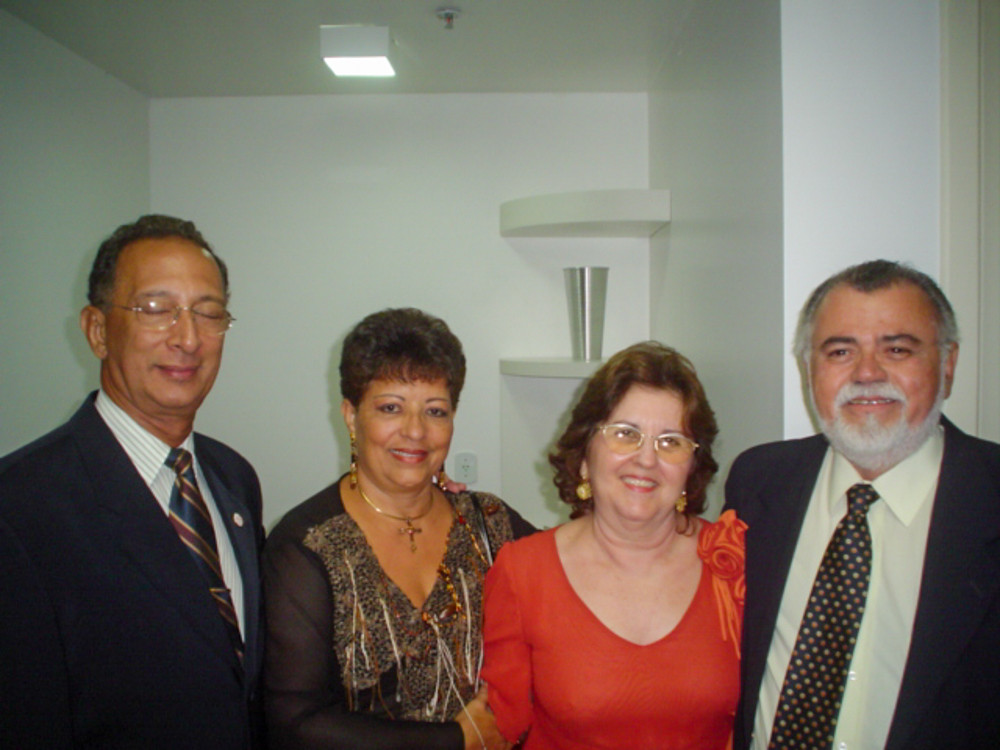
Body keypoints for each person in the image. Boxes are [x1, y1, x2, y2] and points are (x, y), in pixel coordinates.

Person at [0, 215, 264, 749]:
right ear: (97, 330)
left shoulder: (233, 476)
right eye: (156, 309)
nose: (188, 338)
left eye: (208, 313)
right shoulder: (21, 507)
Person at [725, 259, 1000, 750]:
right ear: (809, 368)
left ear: (948, 364)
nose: (867, 373)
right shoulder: (759, 481)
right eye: (840, 351)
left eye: (897, 349)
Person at [263, 307, 534, 750]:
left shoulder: (490, 523)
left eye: (435, 411)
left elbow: (579, 577)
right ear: (351, 416)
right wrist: (456, 740)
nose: (415, 431)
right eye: (391, 408)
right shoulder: (306, 546)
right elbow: (295, 723)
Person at [482, 341, 746, 749]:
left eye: (671, 442)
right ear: (584, 455)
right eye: (625, 434)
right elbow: (500, 728)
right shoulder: (522, 571)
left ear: (692, 468)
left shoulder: (733, 560)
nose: (646, 459)